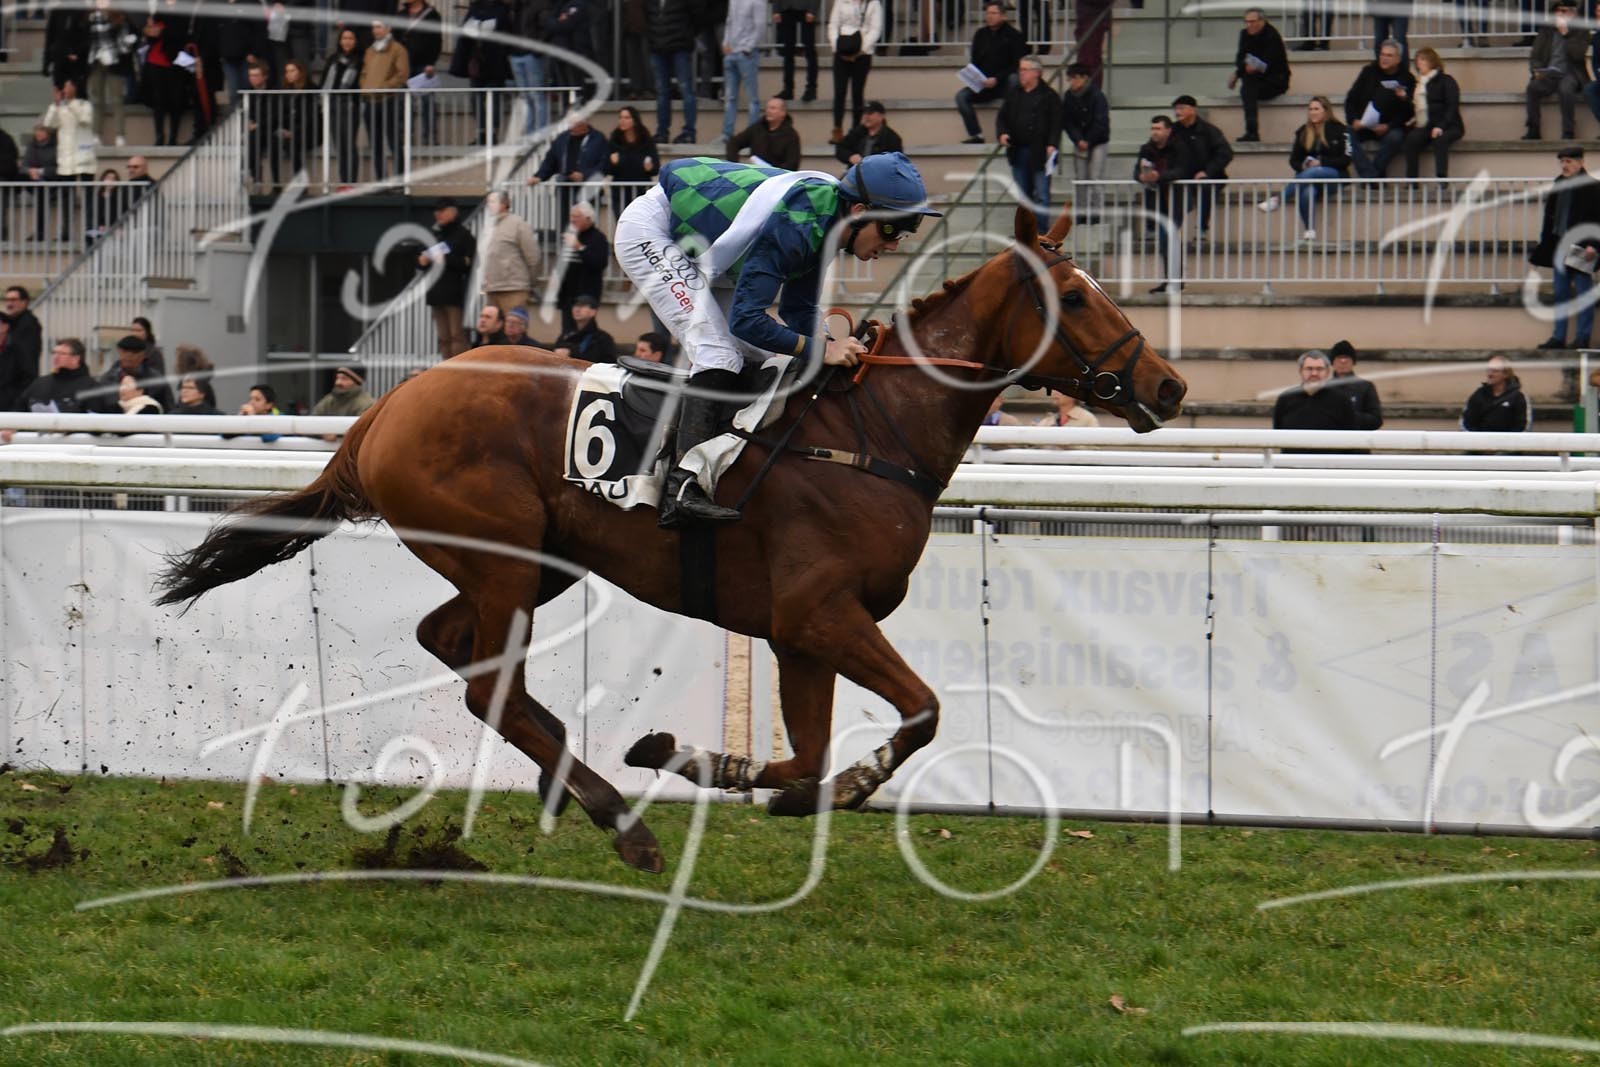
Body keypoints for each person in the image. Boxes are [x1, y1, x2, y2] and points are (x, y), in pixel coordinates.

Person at [614, 151, 938, 526]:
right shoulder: (801, 223)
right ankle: (681, 487)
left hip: (706, 248)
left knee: (762, 356)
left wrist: (829, 345)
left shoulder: (826, 220)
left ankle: (725, 463)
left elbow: (798, 310)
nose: (895, 244)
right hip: (653, 231)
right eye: (891, 229)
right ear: (859, 212)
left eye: (905, 232)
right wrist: (822, 349)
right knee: (719, 354)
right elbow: (747, 321)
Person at [1531, 146, 1600, 350]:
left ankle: (1582, 337)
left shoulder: (1593, 187)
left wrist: (1594, 245)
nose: (1564, 165)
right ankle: (1558, 337)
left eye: (1569, 161)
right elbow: (1550, 217)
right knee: (1560, 293)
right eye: (1562, 161)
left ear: (1581, 162)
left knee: (1583, 292)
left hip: (1581, 246)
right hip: (1558, 246)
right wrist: (1544, 245)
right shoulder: (1558, 184)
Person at [1256, 97, 1351, 242]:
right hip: (1308, 176)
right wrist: (1303, 166)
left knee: (1314, 171)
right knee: (1308, 192)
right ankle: (1309, 230)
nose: (1313, 112)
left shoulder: (1341, 130)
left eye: (1316, 109)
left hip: (1334, 175)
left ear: (1326, 111)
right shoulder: (1303, 131)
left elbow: (1346, 160)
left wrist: (1321, 163)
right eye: (1310, 109)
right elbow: (1294, 160)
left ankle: (1278, 199)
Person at [997, 57, 1061, 234]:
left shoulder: (1049, 96)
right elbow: (1002, 117)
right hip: (1018, 150)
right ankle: (1025, 232)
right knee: (1023, 195)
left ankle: (1041, 231)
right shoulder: (1014, 93)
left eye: (1025, 70)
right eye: (1020, 69)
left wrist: (1052, 144)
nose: (1021, 73)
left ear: (1036, 73)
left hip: (1040, 152)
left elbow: (1056, 124)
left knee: (1042, 194)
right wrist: (1002, 133)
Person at [2, 340, 107, 441]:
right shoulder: (40, 383)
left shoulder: (91, 387)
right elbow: (20, 408)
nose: (56, 357)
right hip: (35, 445)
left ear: (76, 358)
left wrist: (70, 429)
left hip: (73, 447)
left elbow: (97, 424)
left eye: (62, 354)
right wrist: (10, 428)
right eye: (54, 353)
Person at [956, 2, 1029, 145]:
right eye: (988, 13)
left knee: (1014, 79)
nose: (989, 16)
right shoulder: (980, 34)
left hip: (1004, 84)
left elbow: (1017, 64)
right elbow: (975, 60)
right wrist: (976, 77)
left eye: (994, 13)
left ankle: (1009, 130)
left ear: (1003, 16)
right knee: (961, 97)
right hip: (984, 84)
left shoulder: (1014, 36)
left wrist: (997, 79)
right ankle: (976, 135)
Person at [1344, 40, 1415, 181]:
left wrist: (1389, 125)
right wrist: (1353, 120)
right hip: (1363, 125)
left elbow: (1409, 112)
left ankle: (1371, 176)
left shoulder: (1407, 78)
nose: (1384, 58)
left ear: (1398, 59)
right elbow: (1350, 99)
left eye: (1389, 55)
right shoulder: (1368, 72)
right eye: (1382, 54)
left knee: (1396, 137)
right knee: (1345, 135)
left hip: (1387, 127)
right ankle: (1370, 175)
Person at [1134, 115, 1190, 294]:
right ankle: (1170, 280)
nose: (1154, 132)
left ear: (1168, 130)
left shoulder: (1179, 147)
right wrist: (1141, 176)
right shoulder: (1146, 149)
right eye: (1153, 128)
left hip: (1175, 200)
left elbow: (1182, 170)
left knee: (1169, 240)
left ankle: (1174, 280)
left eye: (1158, 128)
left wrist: (1159, 176)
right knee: (1165, 242)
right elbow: (1136, 171)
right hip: (1156, 201)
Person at [1169, 94, 1232, 247]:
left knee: (1205, 187)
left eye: (1181, 108)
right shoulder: (1172, 131)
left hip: (1208, 178)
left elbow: (1225, 153)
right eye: (1176, 109)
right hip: (1181, 177)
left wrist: (1207, 172)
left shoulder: (1209, 131)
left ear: (1193, 110)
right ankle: (1169, 231)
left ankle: (1201, 229)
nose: (1177, 112)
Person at [1525, 1, 1590, 142]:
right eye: (1558, 11)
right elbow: (1535, 56)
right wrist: (1536, 70)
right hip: (1549, 73)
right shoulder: (1546, 30)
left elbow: (1577, 55)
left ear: (1573, 13)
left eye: (1564, 11)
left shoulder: (1581, 31)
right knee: (1533, 88)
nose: (1560, 14)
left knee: (1566, 89)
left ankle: (1568, 131)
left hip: (1571, 74)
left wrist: (1566, 34)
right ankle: (1533, 129)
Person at [450, 0, 511, 146]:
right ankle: (481, 133)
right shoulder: (475, 8)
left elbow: (505, 30)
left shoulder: (502, 9)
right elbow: (465, 32)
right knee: (476, 99)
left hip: (496, 61)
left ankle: (492, 134)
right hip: (477, 61)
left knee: (494, 100)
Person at [419, 198, 474, 358]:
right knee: (443, 337)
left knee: (457, 335)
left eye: (442, 210)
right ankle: (447, 367)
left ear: (452, 212)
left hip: (455, 292)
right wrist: (422, 261)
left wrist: (444, 258)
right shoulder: (435, 234)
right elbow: (421, 259)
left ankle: (459, 367)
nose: (438, 214)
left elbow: (468, 264)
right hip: (436, 292)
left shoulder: (463, 235)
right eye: (436, 211)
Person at [1401, 48, 1463, 181]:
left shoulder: (1446, 80)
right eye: (1418, 60)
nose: (1419, 63)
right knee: (1411, 140)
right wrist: (1405, 97)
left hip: (1450, 125)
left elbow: (1452, 105)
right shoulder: (1419, 84)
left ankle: (1441, 180)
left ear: (1432, 61)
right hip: (1427, 125)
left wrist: (1441, 126)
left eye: (1423, 59)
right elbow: (1418, 105)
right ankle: (1412, 181)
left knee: (1440, 140)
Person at [528, 118, 609, 220]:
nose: (571, 126)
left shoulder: (598, 139)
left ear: (585, 122)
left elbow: (604, 165)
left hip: (588, 190)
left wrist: (584, 175)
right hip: (565, 190)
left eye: (575, 123)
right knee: (565, 222)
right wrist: (539, 176)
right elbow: (551, 160)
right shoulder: (562, 138)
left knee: (585, 221)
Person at [1228, 8, 1289, 143]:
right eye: (1246, 22)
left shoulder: (1272, 36)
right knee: (1248, 85)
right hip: (1255, 80)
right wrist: (1239, 72)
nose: (1249, 25)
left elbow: (1266, 63)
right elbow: (1240, 59)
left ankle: (1252, 131)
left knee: (1248, 85)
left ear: (1262, 21)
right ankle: (1251, 132)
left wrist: (1244, 69)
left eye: (1252, 21)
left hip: (1275, 80)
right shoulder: (1244, 34)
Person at [826, 0, 882, 146]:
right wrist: (837, 46)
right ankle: (837, 129)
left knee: (857, 93)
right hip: (842, 51)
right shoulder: (841, 2)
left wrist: (860, 49)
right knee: (839, 91)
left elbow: (875, 29)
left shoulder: (873, 4)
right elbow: (833, 25)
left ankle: (855, 130)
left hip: (863, 54)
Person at [360, 18, 409, 182]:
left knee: (394, 142)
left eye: (379, 27)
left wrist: (383, 87)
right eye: (374, 27)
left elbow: (402, 75)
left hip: (389, 101)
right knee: (375, 144)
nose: (375, 31)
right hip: (370, 102)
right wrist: (365, 87)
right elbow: (364, 73)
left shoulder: (398, 49)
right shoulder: (370, 50)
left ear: (388, 29)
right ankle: (381, 181)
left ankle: (400, 181)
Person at [479, 189, 541, 317]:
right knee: (494, 328)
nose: (489, 205)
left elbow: (533, 257)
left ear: (505, 203)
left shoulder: (518, 224)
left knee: (514, 326)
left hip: (514, 289)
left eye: (493, 201)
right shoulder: (488, 227)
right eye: (488, 202)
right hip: (492, 289)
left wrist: (530, 283)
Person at [84, 0, 136, 147]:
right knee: (96, 99)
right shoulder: (88, 17)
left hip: (114, 61)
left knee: (117, 99)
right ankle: (95, 134)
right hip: (95, 60)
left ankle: (120, 135)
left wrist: (124, 46)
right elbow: (85, 39)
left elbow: (125, 41)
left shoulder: (119, 16)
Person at [1060, 65, 1109, 220]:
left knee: (1095, 177)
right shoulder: (1069, 97)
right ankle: (1081, 213)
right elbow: (1067, 121)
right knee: (1080, 179)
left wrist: (1088, 140)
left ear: (1084, 78)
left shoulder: (1097, 96)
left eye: (1074, 78)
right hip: (1080, 140)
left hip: (1098, 141)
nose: (1071, 82)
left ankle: (1097, 213)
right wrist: (1078, 139)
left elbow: (1101, 122)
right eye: (1070, 78)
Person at [648, 0, 698, 144]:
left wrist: (686, 35)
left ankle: (689, 132)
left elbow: (697, 16)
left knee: (686, 89)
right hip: (657, 47)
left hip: (680, 47)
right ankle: (662, 132)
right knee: (662, 93)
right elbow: (648, 18)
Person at [556, 201, 611, 332]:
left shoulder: (598, 238)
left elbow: (599, 263)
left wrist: (580, 247)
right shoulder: (570, 236)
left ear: (588, 218)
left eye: (576, 216)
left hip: (586, 295)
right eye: (571, 216)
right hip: (568, 296)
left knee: (584, 331)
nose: (572, 220)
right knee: (567, 332)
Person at [1271, 350, 1360, 431]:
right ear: (1301, 371)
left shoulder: (1341, 401)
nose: (1314, 373)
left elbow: (1351, 435)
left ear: (1327, 372)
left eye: (1319, 369)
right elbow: (1277, 433)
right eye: (1309, 369)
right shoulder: (1285, 399)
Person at [321, 28, 364, 187]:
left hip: (349, 104)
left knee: (349, 144)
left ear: (356, 41)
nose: (347, 41)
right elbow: (324, 82)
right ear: (339, 41)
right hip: (332, 104)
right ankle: (343, 181)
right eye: (344, 38)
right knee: (339, 145)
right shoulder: (333, 59)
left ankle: (351, 182)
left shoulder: (360, 60)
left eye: (350, 38)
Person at [397, 0, 443, 144]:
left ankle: (429, 136)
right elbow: (396, 39)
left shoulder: (432, 15)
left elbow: (436, 41)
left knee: (427, 101)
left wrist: (431, 62)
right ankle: (405, 135)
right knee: (403, 101)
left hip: (424, 65)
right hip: (404, 64)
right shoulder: (401, 15)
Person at [721, 0, 764, 143]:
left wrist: (748, 47)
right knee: (730, 97)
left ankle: (751, 134)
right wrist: (725, 43)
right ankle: (727, 133)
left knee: (752, 97)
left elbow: (760, 26)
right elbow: (729, 22)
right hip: (731, 52)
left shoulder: (757, 2)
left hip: (747, 54)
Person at [96, 334, 175, 411]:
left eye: (134, 352)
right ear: (119, 352)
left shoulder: (157, 381)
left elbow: (170, 409)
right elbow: (98, 409)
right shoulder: (107, 380)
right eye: (125, 351)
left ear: (143, 355)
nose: (129, 355)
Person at [605, 106, 659, 219]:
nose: (622, 120)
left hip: (641, 191)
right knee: (623, 222)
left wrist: (649, 168)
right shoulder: (614, 140)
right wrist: (613, 163)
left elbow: (655, 168)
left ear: (635, 120)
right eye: (620, 117)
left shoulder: (646, 140)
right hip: (620, 192)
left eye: (626, 117)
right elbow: (607, 169)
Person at [727, 96, 802, 171]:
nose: (768, 111)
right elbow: (734, 142)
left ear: (783, 113)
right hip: (756, 173)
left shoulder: (791, 135)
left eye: (773, 108)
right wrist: (735, 166)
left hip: (778, 175)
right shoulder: (757, 128)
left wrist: (775, 172)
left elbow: (792, 163)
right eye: (767, 108)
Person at [0, 286, 42, 412]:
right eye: (7, 300)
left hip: (14, 394)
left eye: (13, 300)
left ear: (25, 302)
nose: (9, 304)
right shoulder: (16, 323)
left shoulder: (28, 325)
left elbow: (26, 364)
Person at [1462, 356, 1530, 432]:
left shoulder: (1518, 397)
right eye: (1488, 370)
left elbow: (1522, 426)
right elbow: (1467, 423)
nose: (1490, 374)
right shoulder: (1478, 395)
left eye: (1495, 371)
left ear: (1506, 374)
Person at [1328, 339, 1383, 429]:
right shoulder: (1324, 388)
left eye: (1347, 357)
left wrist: (1350, 415)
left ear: (1353, 362)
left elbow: (1376, 420)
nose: (1343, 361)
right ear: (1332, 362)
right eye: (1339, 357)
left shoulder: (1366, 387)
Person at [773, 0, 818, 103]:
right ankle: (788, 89)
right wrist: (776, 9)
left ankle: (811, 89)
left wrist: (813, 10)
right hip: (787, 8)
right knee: (787, 52)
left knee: (810, 51)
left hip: (806, 8)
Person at [835, 100, 903, 168]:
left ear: (881, 116)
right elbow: (840, 148)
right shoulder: (857, 132)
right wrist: (850, 157)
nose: (866, 116)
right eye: (864, 113)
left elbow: (896, 162)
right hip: (856, 172)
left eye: (870, 113)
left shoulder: (892, 138)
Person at [552, 294, 617, 362]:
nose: (577, 309)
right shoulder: (566, 335)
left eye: (582, 306)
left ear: (593, 312)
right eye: (575, 306)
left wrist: (571, 353)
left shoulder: (603, 338)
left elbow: (609, 363)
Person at [310, 363, 375, 416]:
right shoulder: (329, 400)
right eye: (337, 378)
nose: (338, 382)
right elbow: (313, 420)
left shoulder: (367, 404)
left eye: (344, 379)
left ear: (357, 382)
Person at [86, 166, 124, 245]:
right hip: (97, 229)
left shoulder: (120, 197)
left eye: (114, 179)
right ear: (103, 180)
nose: (111, 181)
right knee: (91, 233)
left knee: (118, 234)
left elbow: (121, 215)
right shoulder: (96, 197)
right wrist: (98, 226)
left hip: (114, 229)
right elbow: (91, 215)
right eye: (108, 178)